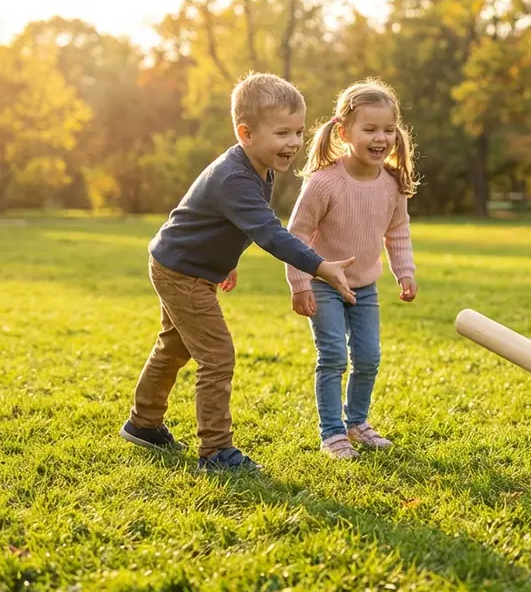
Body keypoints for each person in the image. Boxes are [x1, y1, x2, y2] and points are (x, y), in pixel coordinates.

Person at [120, 72, 359, 472]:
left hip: (185, 265)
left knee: (175, 346)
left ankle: (144, 424)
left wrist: (227, 262)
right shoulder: (235, 176)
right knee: (217, 357)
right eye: (282, 133)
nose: (294, 143)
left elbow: (231, 224)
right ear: (246, 133)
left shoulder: (258, 167)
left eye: (298, 131)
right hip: (181, 271)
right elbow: (267, 232)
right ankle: (215, 451)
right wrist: (319, 266)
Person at [285, 78, 419, 460]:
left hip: (364, 286)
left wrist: (404, 272)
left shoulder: (392, 184)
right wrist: (300, 284)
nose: (381, 138)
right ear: (344, 131)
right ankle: (332, 433)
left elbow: (398, 231)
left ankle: (356, 423)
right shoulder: (324, 183)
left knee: (368, 357)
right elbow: (296, 235)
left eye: (389, 129)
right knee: (332, 356)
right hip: (323, 281)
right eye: (370, 128)